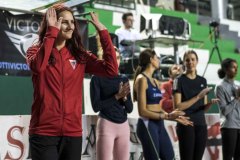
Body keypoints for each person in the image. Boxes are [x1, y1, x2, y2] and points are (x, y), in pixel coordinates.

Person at [26, 4, 118, 160]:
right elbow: (39, 66)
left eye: (72, 22)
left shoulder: (80, 56)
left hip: (72, 134)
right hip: (43, 133)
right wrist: (51, 33)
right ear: (52, 23)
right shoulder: (35, 51)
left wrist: (103, 32)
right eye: (64, 22)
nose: (70, 26)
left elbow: (111, 69)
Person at [133, 49, 193, 160]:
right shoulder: (142, 79)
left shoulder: (155, 81)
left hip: (159, 124)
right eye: (157, 58)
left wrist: (175, 117)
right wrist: (166, 116)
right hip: (147, 124)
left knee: (169, 156)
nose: (159, 60)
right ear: (151, 60)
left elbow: (158, 107)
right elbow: (142, 111)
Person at [173, 50, 219, 160]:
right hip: (186, 123)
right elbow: (177, 107)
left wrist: (209, 104)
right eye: (187, 60)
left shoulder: (203, 80)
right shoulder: (178, 80)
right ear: (183, 62)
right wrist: (198, 97)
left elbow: (203, 109)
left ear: (197, 61)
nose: (190, 62)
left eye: (193, 59)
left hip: (201, 124)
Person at [90, 47, 133, 160]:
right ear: (105, 59)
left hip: (123, 125)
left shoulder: (124, 78)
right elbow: (96, 107)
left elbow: (130, 109)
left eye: (118, 58)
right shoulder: (97, 78)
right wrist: (117, 96)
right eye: (113, 58)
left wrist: (123, 98)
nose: (116, 61)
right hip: (106, 124)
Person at [214, 58, 240, 160]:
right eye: (233, 67)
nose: (236, 70)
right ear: (226, 69)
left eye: (236, 67)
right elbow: (224, 111)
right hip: (229, 126)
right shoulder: (220, 86)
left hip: (239, 125)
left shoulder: (238, 84)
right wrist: (236, 98)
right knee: (228, 157)